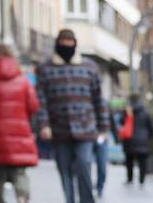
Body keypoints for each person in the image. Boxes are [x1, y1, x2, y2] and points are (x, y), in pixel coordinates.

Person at [34, 29, 108, 203]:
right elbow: (41, 101)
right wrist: (44, 125)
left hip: (86, 128)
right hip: (59, 129)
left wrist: (103, 129)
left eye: (70, 44)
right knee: (65, 171)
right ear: (57, 44)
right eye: (63, 44)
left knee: (84, 164)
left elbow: (99, 100)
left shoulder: (90, 67)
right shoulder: (45, 68)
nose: (67, 48)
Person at [0, 44, 40, 203]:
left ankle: (0, 200)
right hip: (20, 134)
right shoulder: (23, 80)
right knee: (19, 173)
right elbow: (33, 105)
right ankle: (21, 198)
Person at [118, 93, 153, 186]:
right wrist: (149, 137)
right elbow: (151, 127)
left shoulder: (128, 111)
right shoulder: (146, 113)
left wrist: (126, 113)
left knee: (129, 160)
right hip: (143, 140)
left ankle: (130, 178)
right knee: (143, 161)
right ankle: (142, 179)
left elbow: (121, 122)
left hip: (129, 139)